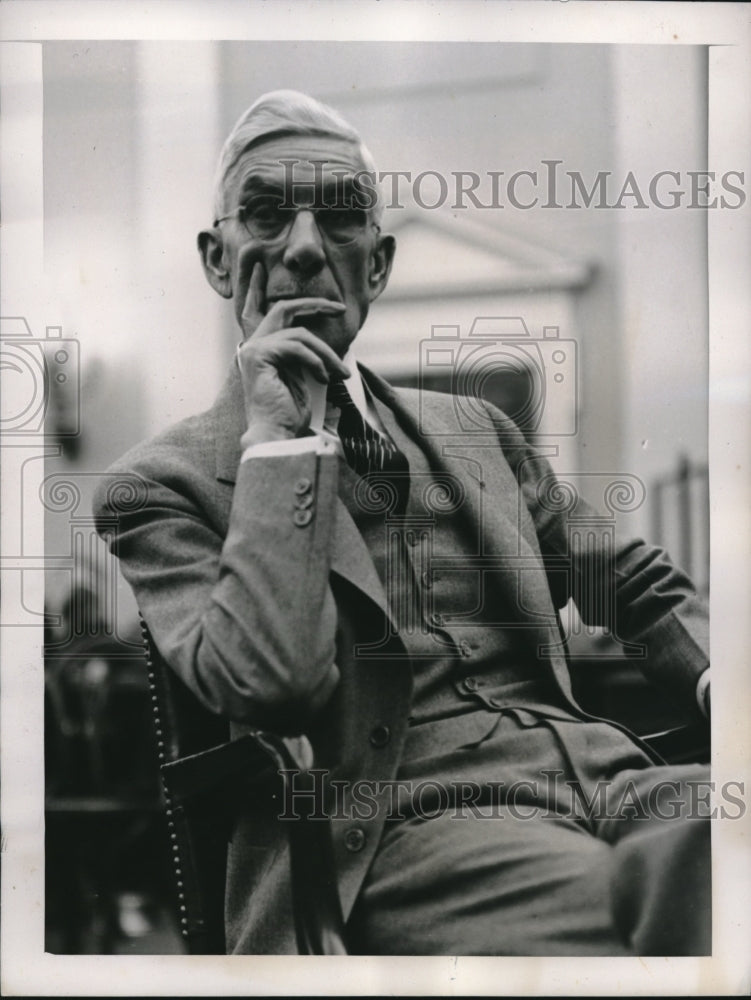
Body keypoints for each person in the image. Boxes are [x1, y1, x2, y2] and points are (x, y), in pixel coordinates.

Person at [94, 90, 711, 956]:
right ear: (217, 259)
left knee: (713, 852)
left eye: (340, 222)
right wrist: (278, 442)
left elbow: (630, 579)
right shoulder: (163, 484)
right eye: (267, 215)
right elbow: (273, 681)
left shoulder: (474, 430)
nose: (305, 249)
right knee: (627, 922)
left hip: (613, 776)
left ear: (376, 266)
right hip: (398, 829)